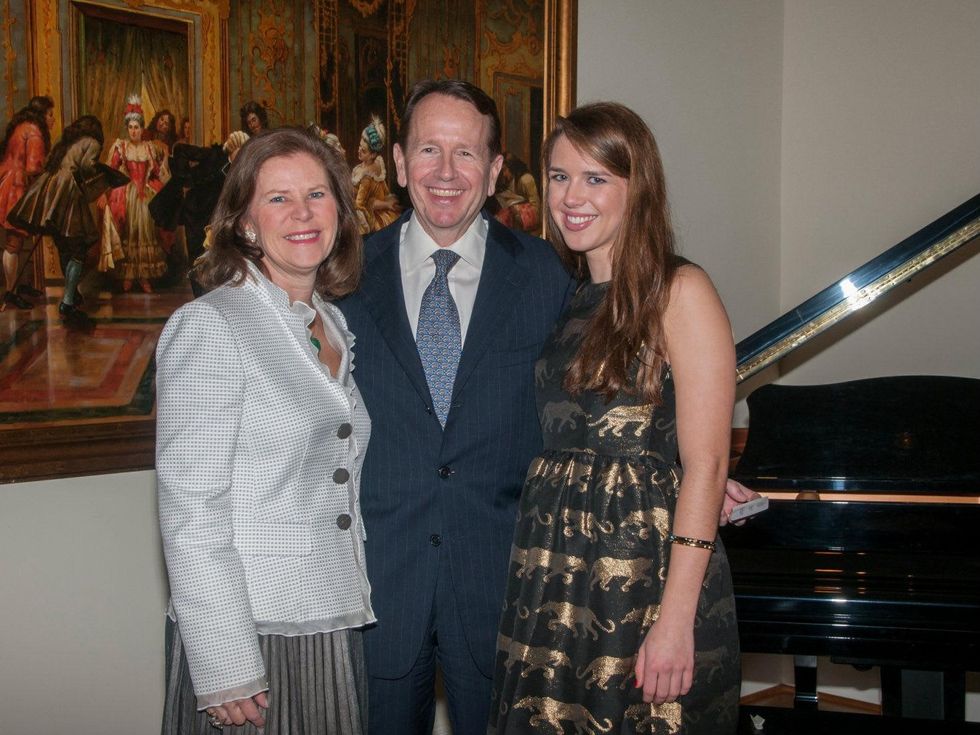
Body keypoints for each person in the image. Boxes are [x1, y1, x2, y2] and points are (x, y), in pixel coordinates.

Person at [338, 80, 754, 735]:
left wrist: (693, 473)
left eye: (467, 153)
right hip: (443, 587)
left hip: (527, 583)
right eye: (561, 176)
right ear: (397, 162)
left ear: (498, 170)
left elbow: (668, 421)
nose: (446, 173)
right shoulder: (344, 274)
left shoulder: (545, 275)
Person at [489, 102, 741, 734]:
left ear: (639, 188)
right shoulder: (568, 296)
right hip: (554, 570)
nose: (570, 196)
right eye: (557, 176)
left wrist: (676, 619)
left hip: (642, 579)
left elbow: (707, 462)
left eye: (595, 178)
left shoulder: (681, 290)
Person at [156, 127, 373, 734]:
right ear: (245, 223)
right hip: (251, 633)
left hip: (330, 614)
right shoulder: (210, 325)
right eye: (278, 198)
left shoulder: (329, 326)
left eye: (317, 194)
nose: (302, 213)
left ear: (339, 211)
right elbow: (191, 506)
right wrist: (224, 661)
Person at [8, 115, 112, 327]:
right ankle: (67, 302)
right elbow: (86, 167)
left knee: (64, 245)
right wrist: (105, 176)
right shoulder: (92, 143)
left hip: (50, 192)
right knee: (77, 248)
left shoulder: (66, 143)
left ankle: (71, 294)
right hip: (68, 194)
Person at [102, 95, 168, 292]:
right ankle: (129, 276)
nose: (133, 131)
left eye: (137, 127)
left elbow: (157, 173)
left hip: (145, 197)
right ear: (127, 128)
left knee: (145, 235)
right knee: (130, 234)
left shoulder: (149, 148)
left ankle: (144, 277)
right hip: (127, 197)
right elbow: (110, 172)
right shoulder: (121, 147)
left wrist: (153, 188)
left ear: (142, 129)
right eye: (130, 127)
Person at [0, 95, 54, 309]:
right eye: (50, 114)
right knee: (14, 241)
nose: (53, 120)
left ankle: (19, 286)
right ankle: (10, 292)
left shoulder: (22, 125)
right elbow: (33, 168)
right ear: (42, 115)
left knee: (18, 239)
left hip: (7, 180)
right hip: (16, 187)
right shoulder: (34, 132)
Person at [351, 115, 400, 234]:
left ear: (373, 155)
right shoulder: (375, 164)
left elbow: (360, 205)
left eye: (363, 150)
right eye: (359, 146)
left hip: (371, 219)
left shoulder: (367, 176)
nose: (359, 151)